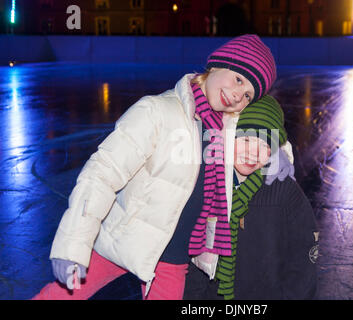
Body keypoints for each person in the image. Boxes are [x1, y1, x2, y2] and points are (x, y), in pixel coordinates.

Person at [32, 34, 295, 300]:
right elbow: (102, 173)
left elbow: (263, 128)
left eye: (248, 94)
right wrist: (73, 244)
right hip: (123, 238)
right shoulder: (156, 112)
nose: (238, 94)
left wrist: (279, 150)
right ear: (215, 66)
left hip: (173, 257)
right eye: (238, 79)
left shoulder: (228, 128)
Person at [183, 95, 319, 300]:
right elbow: (195, 254)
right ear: (228, 137)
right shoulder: (211, 186)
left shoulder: (284, 191)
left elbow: (304, 254)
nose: (252, 152)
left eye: (264, 145)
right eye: (246, 139)